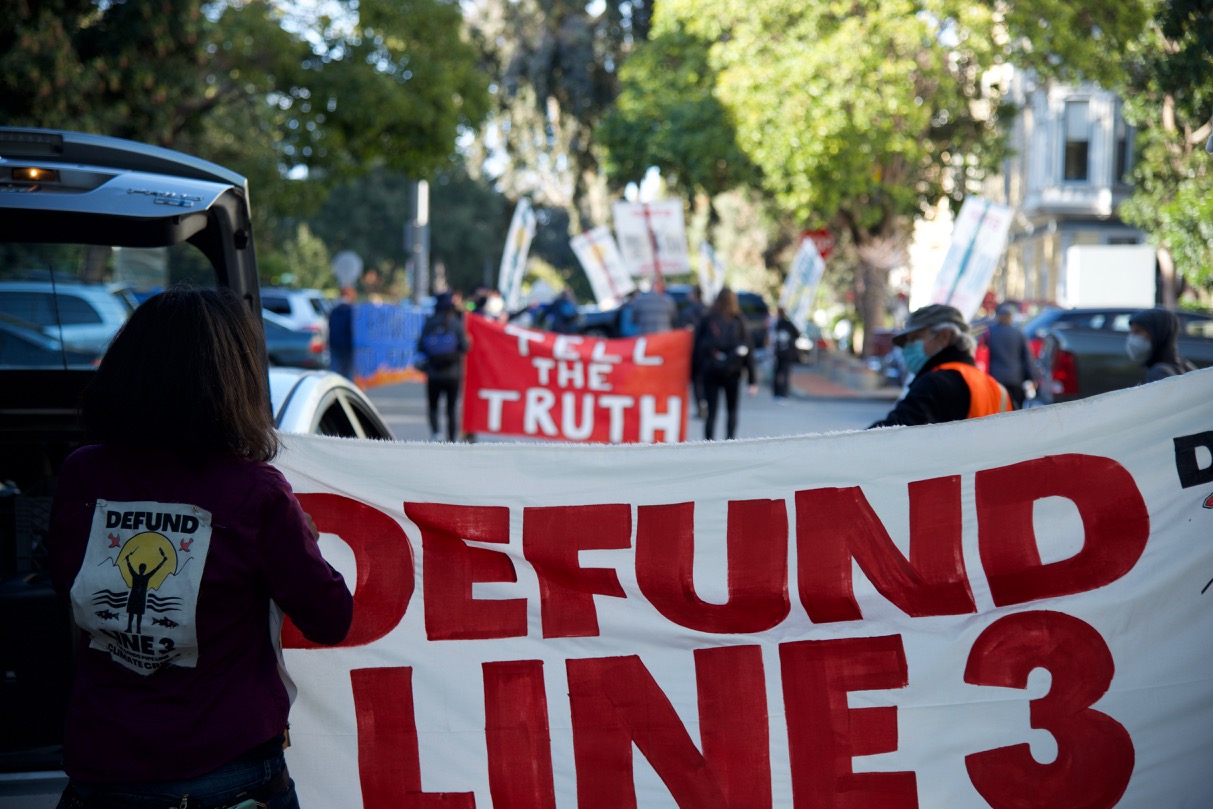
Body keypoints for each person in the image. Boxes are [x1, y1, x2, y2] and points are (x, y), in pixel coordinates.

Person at [47, 286, 353, 809]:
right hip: (226, 778)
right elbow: (331, 618)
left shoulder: (82, 473)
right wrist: (301, 537)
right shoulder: (255, 493)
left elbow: (65, 585)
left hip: (101, 773)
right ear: (233, 381)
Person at [869, 303, 1011, 428]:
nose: (907, 348)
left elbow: (892, 433)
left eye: (915, 338)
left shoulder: (934, 383)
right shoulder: (999, 390)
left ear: (944, 336)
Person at [693, 287, 758, 440]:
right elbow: (748, 349)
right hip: (733, 371)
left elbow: (697, 348)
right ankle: (730, 441)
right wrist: (752, 380)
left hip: (711, 371)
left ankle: (708, 444)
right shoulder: (738, 319)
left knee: (711, 412)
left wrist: (694, 373)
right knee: (732, 410)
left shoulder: (708, 318)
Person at [418, 291, 470, 441]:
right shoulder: (457, 324)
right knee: (451, 408)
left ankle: (436, 434)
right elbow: (464, 347)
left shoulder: (429, 323)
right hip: (453, 375)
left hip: (434, 374)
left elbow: (421, 347)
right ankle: (451, 439)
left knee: (433, 406)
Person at [984, 301, 1037, 408]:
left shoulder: (989, 333)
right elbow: (1027, 359)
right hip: (1015, 380)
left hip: (995, 379)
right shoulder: (1019, 333)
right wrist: (1033, 378)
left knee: (996, 410)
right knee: (1015, 410)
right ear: (1011, 317)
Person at [1127, 307, 1196, 382]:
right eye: (1131, 331)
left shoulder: (1159, 373)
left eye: (1138, 331)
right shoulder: (1184, 365)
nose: (1132, 338)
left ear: (1158, 334)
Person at [677, 286, 710, 418]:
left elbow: (681, 331)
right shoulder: (708, 310)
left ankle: (701, 406)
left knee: (696, 381)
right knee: (705, 380)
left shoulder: (687, 312)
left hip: (692, 349)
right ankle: (705, 404)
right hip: (707, 350)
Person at [327, 285, 358, 381]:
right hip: (348, 345)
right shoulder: (352, 310)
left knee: (334, 371)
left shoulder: (333, 310)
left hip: (334, 344)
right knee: (348, 373)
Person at [771, 306, 801, 401]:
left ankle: (778, 393)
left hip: (782, 353)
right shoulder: (786, 324)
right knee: (784, 374)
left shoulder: (779, 324)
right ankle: (782, 394)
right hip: (786, 354)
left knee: (778, 373)